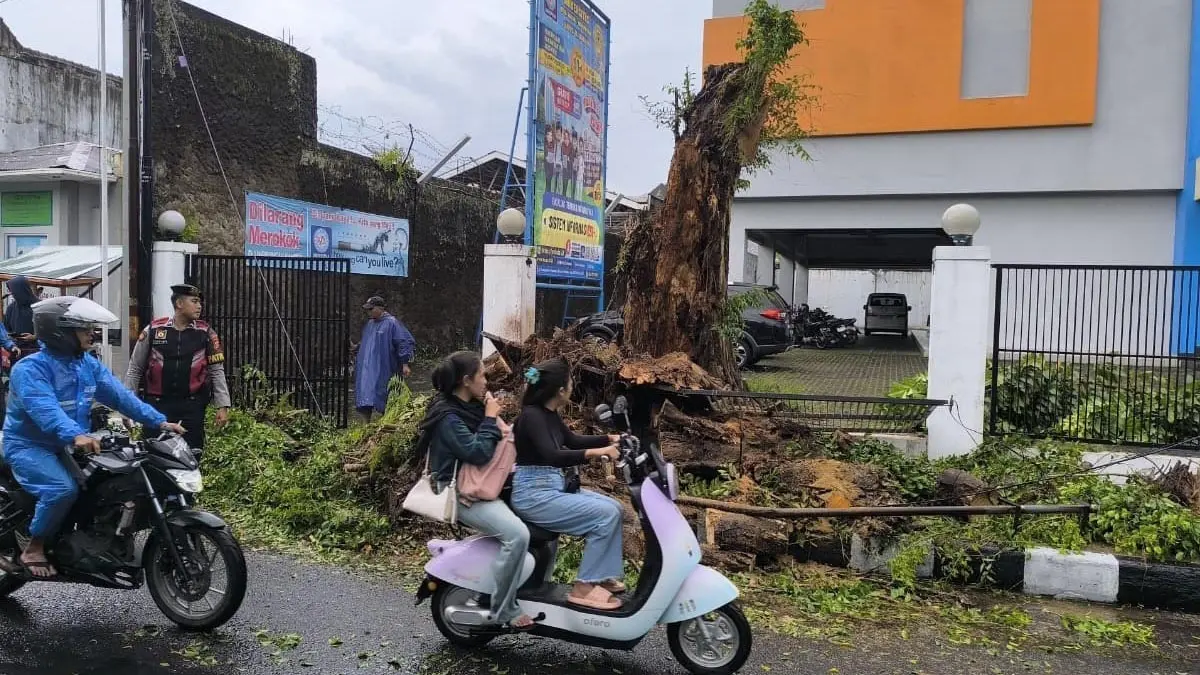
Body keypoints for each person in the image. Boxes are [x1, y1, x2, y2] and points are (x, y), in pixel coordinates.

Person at [1, 296, 184, 578]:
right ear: (59, 333)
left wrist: (159, 421)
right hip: (29, 446)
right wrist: (76, 435)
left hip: (71, 442)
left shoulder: (87, 364)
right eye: (83, 328)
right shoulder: (29, 370)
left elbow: (120, 396)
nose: (91, 333)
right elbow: (46, 410)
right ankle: (34, 547)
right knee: (61, 489)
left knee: (107, 484)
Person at [417, 351, 534, 630]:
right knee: (518, 535)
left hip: (481, 485)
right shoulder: (448, 417)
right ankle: (504, 607)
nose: (486, 380)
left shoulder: (470, 408)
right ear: (466, 380)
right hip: (460, 492)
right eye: (482, 375)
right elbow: (478, 452)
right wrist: (491, 419)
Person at [510, 357, 625, 610]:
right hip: (534, 494)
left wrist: (610, 438)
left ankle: (601, 575)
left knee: (615, 508)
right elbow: (553, 455)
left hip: (551, 488)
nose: (573, 386)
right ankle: (584, 586)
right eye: (571, 382)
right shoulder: (531, 417)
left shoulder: (548, 414)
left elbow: (571, 440)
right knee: (604, 515)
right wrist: (599, 452)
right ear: (560, 390)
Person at [123, 284, 230, 451]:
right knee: (153, 454)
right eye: (194, 301)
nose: (199, 306)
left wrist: (222, 406)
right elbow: (135, 369)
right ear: (179, 304)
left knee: (191, 455)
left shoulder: (206, 333)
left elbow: (216, 371)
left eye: (200, 302)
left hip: (191, 406)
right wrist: (128, 405)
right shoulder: (153, 330)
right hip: (156, 406)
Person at [354, 296, 415, 422]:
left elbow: (403, 342)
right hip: (367, 367)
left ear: (380, 308)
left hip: (384, 366)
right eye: (368, 310)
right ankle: (367, 423)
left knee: (385, 392)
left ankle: (387, 420)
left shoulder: (392, 323)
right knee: (365, 393)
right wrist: (356, 347)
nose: (369, 312)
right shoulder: (370, 324)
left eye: (371, 309)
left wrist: (405, 363)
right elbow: (367, 342)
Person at [4, 276, 38, 359]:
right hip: (15, 351)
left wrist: (35, 337)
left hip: (35, 353)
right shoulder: (11, 308)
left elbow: (49, 333)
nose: (13, 295)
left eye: (15, 292)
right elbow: (5, 329)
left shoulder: (39, 307)